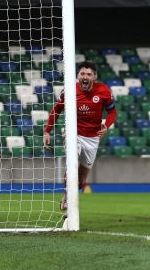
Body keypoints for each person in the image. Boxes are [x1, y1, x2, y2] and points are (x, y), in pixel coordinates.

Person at [43, 60, 117, 213]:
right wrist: (47, 131)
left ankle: (69, 195)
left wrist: (106, 126)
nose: (85, 76)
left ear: (94, 77)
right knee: (72, 165)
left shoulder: (103, 90)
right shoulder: (69, 90)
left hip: (92, 138)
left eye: (89, 74)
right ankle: (68, 200)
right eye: (82, 73)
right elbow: (56, 110)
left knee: (81, 181)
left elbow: (112, 112)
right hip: (73, 133)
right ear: (78, 75)